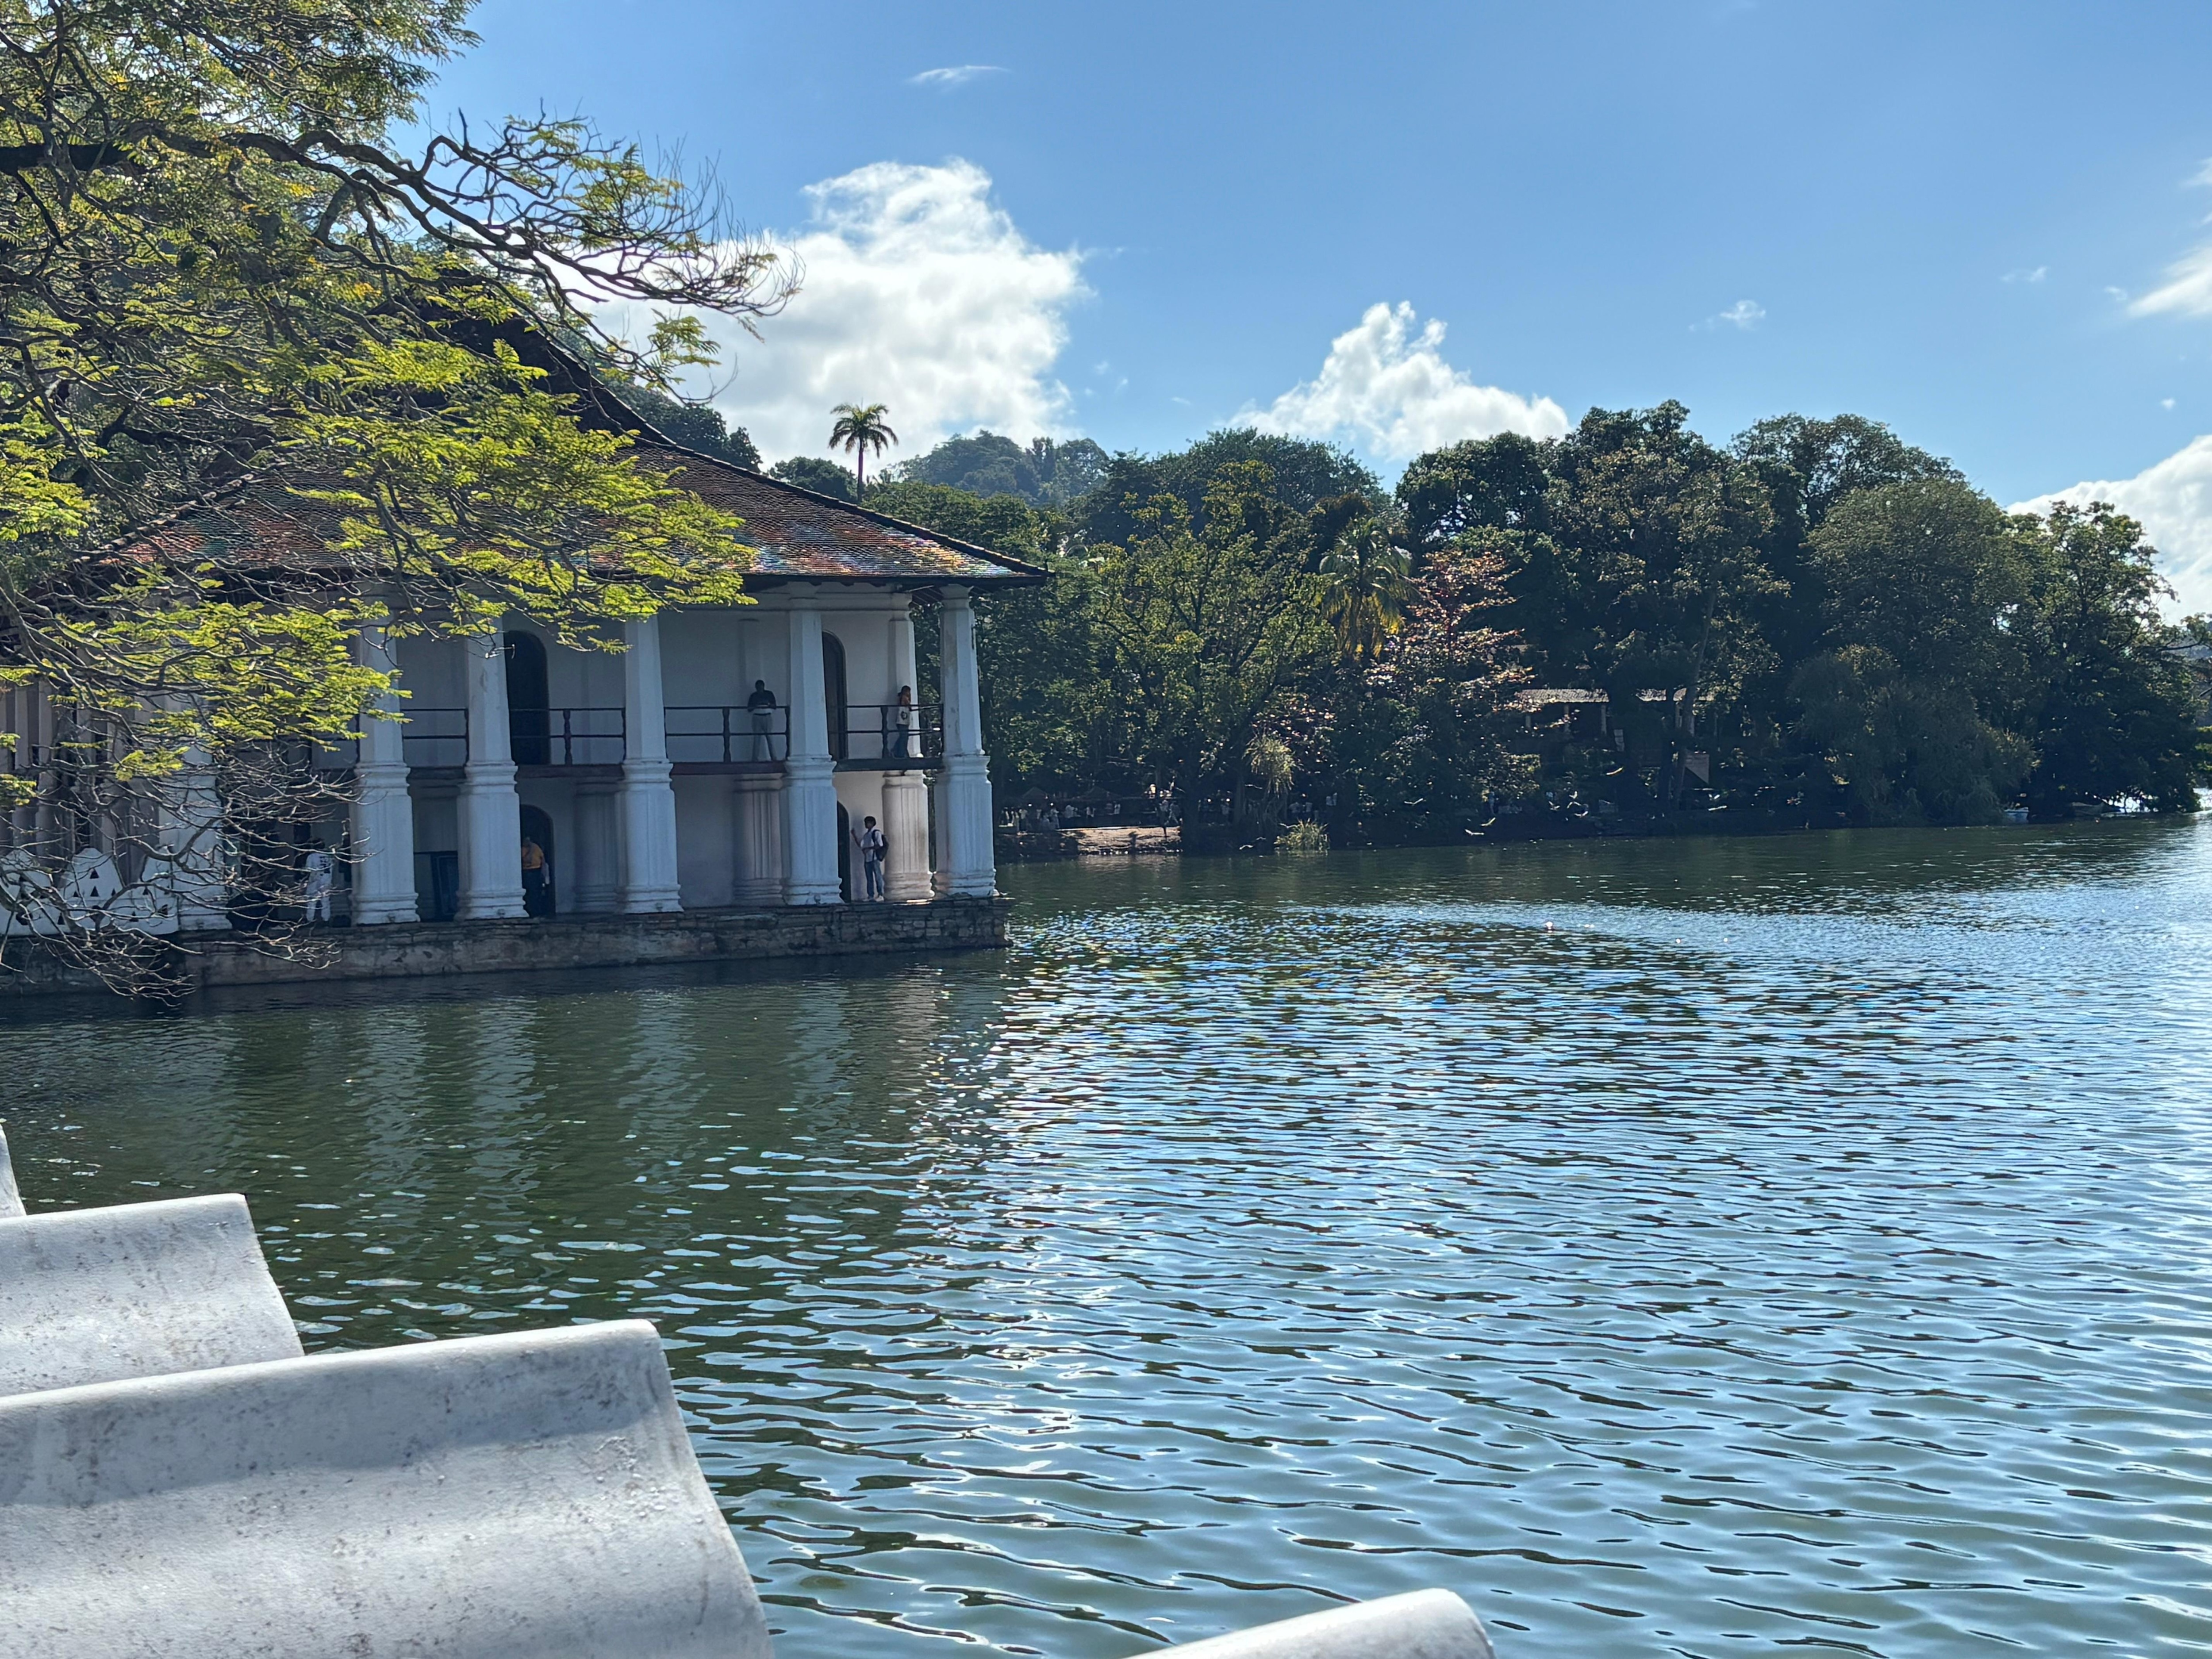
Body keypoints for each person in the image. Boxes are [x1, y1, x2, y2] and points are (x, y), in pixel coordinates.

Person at [853, 814, 887, 901]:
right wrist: (854, 836)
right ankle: (871, 895)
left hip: (874, 858)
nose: (866, 824)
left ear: (872, 823)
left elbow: (880, 845)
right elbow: (861, 845)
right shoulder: (867, 835)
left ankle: (881, 895)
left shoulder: (876, 833)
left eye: (867, 823)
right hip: (868, 859)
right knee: (869, 878)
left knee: (878, 876)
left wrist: (869, 849)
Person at [746, 678, 779, 760]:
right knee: (757, 739)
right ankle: (755, 758)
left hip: (767, 716)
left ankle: (774, 758)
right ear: (756, 687)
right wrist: (756, 705)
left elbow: (775, 706)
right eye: (758, 687)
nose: (760, 689)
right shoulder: (753, 696)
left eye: (761, 687)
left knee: (770, 738)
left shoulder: (769, 694)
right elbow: (749, 709)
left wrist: (767, 704)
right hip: (757, 717)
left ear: (764, 686)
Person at [302, 845, 335, 924]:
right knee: (326, 901)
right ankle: (326, 920)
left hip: (314, 880)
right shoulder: (329, 857)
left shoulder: (312, 857)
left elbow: (308, 870)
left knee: (312, 901)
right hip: (327, 880)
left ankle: (310, 920)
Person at [520, 833, 549, 917]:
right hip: (527, 872)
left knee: (537, 892)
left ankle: (538, 912)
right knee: (529, 893)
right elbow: (526, 859)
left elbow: (542, 859)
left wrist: (544, 873)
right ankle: (531, 912)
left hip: (537, 871)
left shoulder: (536, 847)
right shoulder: (522, 849)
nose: (528, 842)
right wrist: (531, 850)